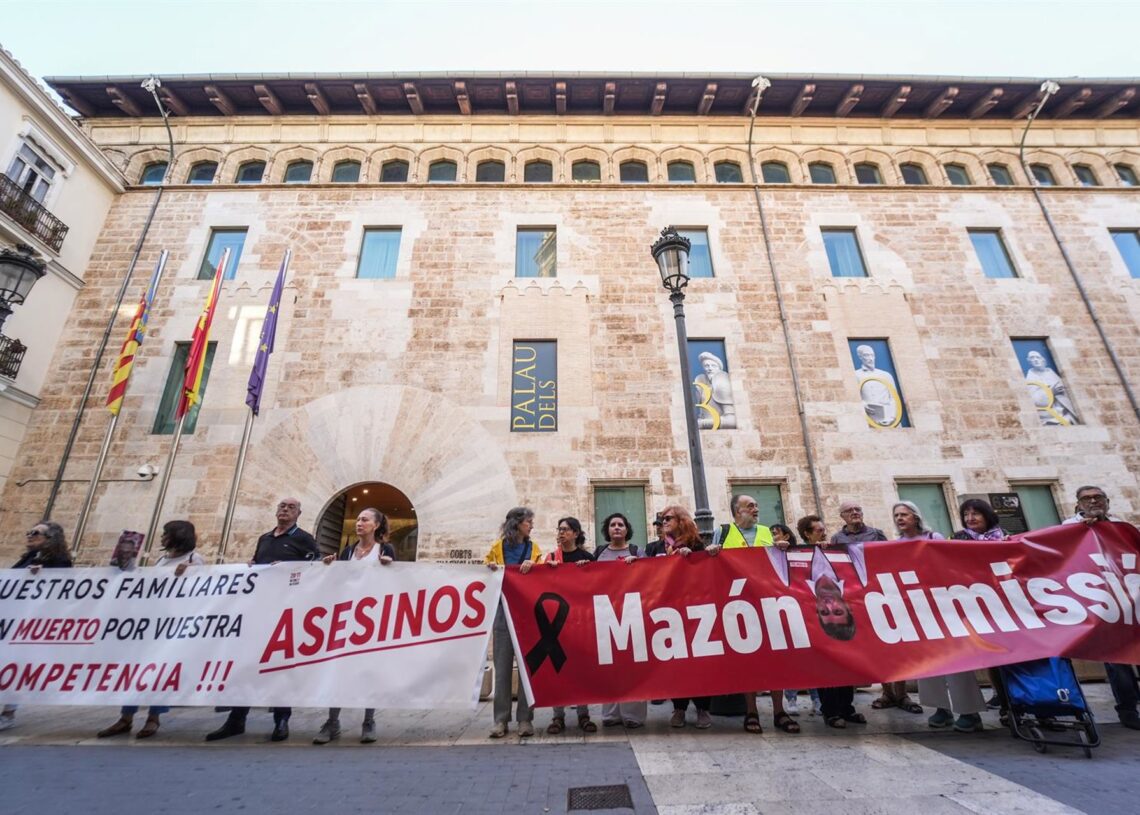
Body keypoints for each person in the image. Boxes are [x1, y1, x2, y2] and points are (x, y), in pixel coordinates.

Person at [206, 497, 319, 743]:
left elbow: (316, 567)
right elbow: (259, 563)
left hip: (285, 611)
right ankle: (236, 719)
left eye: (290, 507)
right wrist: (253, 565)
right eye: (281, 506)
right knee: (246, 664)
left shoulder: (304, 539)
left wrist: (289, 567)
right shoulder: (265, 539)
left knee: (279, 666)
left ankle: (281, 720)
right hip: (258, 610)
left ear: (299, 513)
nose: (285, 510)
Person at [97, 521, 205, 739]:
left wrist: (190, 573)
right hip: (150, 623)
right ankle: (126, 717)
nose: (162, 537)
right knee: (136, 670)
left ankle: (153, 718)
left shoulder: (194, 559)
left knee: (161, 672)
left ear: (178, 535)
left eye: (166, 534)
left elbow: (202, 586)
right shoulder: (162, 559)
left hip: (172, 625)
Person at [709, 495, 796, 734]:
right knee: (749, 661)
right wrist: (711, 551)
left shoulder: (768, 532)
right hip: (738, 605)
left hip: (768, 602)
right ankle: (751, 711)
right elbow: (711, 565)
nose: (756, 509)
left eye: (757, 505)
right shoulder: (723, 532)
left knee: (776, 659)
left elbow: (780, 563)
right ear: (737, 511)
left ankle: (779, 711)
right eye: (750, 506)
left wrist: (782, 548)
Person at [313, 508, 395, 745]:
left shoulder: (385, 550)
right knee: (338, 668)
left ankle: (368, 721)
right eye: (358, 519)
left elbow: (397, 582)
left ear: (377, 525)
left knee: (370, 670)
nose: (359, 523)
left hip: (373, 619)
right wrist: (329, 567)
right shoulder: (348, 551)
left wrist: (390, 567)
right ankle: (332, 721)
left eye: (365, 520)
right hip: (347, 618)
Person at [1062, 486, 1139, 730]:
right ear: (1078, 505)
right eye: (1087, 498)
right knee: (1116, 658)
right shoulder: (1069, 529)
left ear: (1107, 501)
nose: (1093, 501)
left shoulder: (1122, 528)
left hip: (1131, 596)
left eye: (1098, 497)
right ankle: (1127, 708)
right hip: (1101, 600)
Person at [869, 502, 939, 716]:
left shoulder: (934, 538)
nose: (899, 518)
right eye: (896, 515)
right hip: (910, 602)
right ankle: (938, 707)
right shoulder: (897, 544)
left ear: (915, 516)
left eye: (904, 514)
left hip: (936, 601)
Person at [0, 522, 72, 731]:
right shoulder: (27, 558)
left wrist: (44, 575)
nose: (29, 536)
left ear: (51, 539)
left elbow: (63, 587)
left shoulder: (59, 561)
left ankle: (8, 712)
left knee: (16, 666)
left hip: (31, 623)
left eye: (36, 533)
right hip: (12, 618)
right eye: (29, 531)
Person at [801, 515, 866, 729]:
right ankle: (830, 711)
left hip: (843, 617)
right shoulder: (799, 554)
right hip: (816, 618)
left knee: (845, 664)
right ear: (807, 535)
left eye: (824, 529)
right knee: (825, 668)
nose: (824, 534)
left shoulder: (836, 551)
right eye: (818, 531)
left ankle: (847, 708)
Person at [484, 506, 543, 739]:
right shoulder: (496, 549)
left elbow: (543, 575)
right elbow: (485, 571)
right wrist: (489, 569)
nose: (531, 525)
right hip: (502, 611)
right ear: (518, 523)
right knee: (502, 667)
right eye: (529, 521)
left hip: (527, 614)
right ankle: (500, 720)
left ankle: (525, 720)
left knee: (527, 669)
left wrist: (534, 568)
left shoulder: (534, 549)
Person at [658, 505, 713, 729]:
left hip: (695, 609)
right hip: (668, 610)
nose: (664, 522)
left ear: (681, 520)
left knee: (699, 660)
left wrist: (699, 557)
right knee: (676, 661)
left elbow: (706, 570)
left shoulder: (696, 544)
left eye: (668, 518)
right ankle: (679, 708)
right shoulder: (657, 547)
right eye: (662, 519)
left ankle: (702, 708)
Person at [594, 512, 647, 728]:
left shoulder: (637, 551)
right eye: (613, 524)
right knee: (610, 665)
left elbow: (649, 577)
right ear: (607, 529)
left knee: (633, 665)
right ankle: (611, 713)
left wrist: (638, 564)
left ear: (627, 530)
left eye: (621, 525)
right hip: (607, 613)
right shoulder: (598, 553)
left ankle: (633, 715)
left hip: (632, 612)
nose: (617, 528)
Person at [544, 517, 596, 735]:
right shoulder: (550, 557)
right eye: (559, 529)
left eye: (565, 529)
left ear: (576, 533)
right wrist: (548, 570)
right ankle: (558, 716)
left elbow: (596, 583)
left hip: (580, 620)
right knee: (558, 669)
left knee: (580, 668)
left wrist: (587, 569)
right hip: (557, 620)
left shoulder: (586, 557)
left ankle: (584, 714)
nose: (561, 533)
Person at [771, 523, 821, 717]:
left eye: (775, 533)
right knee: (789, 658)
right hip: (780, 609)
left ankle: (816, 698)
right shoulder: (768, 553)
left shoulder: (798, 553)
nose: (773, 537)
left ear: (786, 534)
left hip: (802, 608)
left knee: (810, 659)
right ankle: (791, 697)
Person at [1024, 350, 1080, 426]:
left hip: (1066, 409)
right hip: (1049, 414)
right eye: (1032, 358)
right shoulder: (1031, 378)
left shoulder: (1051, 372)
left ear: (1042, 359)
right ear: (1029, 361)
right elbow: (1035, 400)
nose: (1035, 359)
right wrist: (1050, 392)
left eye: (1037, 357)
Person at [853, 344, 901, 427]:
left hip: (890, 418)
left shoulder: (886, 375)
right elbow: (854, 396)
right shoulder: (855, 375)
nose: (870, 358)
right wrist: (863, 404)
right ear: (860, 357)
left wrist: (892, 417)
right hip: (870, 418)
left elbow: (894, 398)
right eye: (866, 355)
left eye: (872, 355)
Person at [693, 351, 737, 429]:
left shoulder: (722, 385)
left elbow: (732, 420)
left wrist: (703, 423)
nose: (710, 368)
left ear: (718, 368)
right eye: (707, 366)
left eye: (713, 366)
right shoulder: (703, 386)